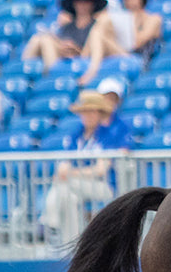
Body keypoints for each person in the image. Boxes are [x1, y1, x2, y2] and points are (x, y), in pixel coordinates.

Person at [40, 89, 132, 247]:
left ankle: (49, 222)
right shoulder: (76, 135)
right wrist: (66, 172)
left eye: (91, 112)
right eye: (84, 112)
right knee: (69, 196)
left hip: (104, 186)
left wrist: (70, 173)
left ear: (99, 114)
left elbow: (100, 170)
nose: (87, 116)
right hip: (77, 185)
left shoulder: (108, 135)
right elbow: (64, 164)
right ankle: (73, 245)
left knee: (65, 184)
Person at [81, 0, 162, 84]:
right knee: (99, 28)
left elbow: (136, 43)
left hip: (139, 59)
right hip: (120, 53)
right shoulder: (124, 18)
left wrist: (133, 19)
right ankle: (87, 64)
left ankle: (91, 69)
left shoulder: (154, 19)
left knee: (103, 24)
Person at [23, 0, 106, 73]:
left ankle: (52, 73)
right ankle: (26, 71)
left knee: (46, 40)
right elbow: (61, 43)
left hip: (83, 59)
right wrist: (64, 47)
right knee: (37, 39)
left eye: (86, 1)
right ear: (74, 4)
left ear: (93, 4)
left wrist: (76, 50)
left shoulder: (96, 26)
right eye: (79, 1)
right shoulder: (68, 27)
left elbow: (95, 49)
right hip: (63, 57)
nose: (82, 5)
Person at [95, 76, 131, 147]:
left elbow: (124, 150)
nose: (109, 102)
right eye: (106, 98)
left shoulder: (122, 126)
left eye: (113, 99)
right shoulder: (90, 124)